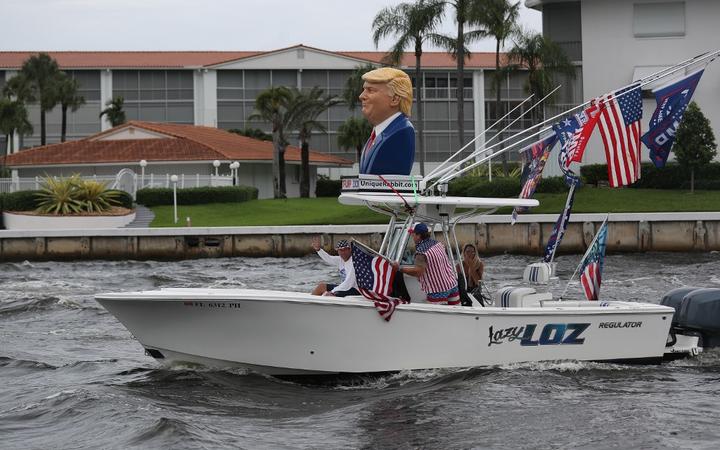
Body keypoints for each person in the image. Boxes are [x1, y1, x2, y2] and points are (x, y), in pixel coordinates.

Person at [358, 67, 415, 175]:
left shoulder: (400, 133)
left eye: (370, 90)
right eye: (364, 90)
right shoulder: (376, 134)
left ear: (395, 99)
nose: (362, 96)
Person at [392, 223, 460, 305]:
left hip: (437, 290)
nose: (412, 237)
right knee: (453, 313)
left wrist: (399, 268)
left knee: (434, 317)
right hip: (452, 285)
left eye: (413, 234)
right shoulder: (438, 244)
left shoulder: (421, 252)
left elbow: (418, 272)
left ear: (418, 235)